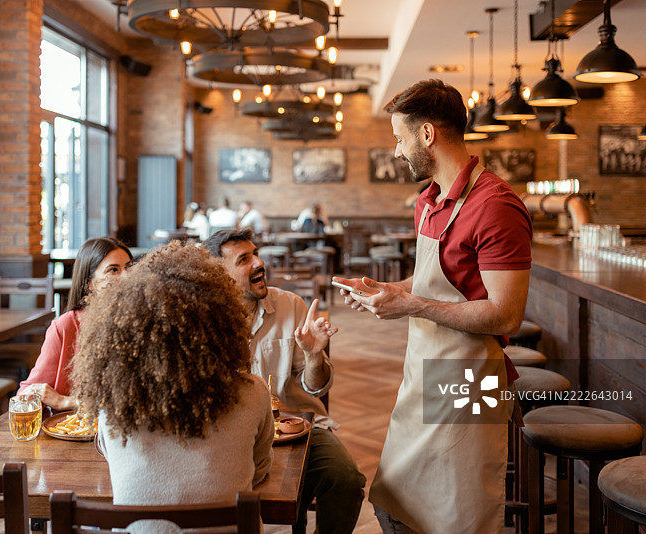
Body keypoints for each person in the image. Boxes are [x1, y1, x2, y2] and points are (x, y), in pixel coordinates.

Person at [334, 79, 532, 534]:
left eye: (400, 139)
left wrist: (412, 306)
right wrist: (389, 291)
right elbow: (435, 284)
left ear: (427, 135)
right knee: (395, 498)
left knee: (457, 514)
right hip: (424, 369)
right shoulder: (429, 200)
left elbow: (505, 315)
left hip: (470, 376)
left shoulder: (496, 206)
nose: (398, 152)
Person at [71, 242, 274, 533]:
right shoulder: (253, 392)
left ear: (128, 327)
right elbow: (260, 470)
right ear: (222, 321)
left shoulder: (112, 403)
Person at [203, 229, 366, 534]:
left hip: (297, 427)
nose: (258, 262)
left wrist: (315, 356)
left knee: (347, 481)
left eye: (256, 253)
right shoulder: (202, 318)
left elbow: (314, 386)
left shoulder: (291, 306)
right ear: (218, 275)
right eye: (244, 259)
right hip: (229, 436)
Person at [18, 236, 132, 411]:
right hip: (74, 433)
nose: (126, 277)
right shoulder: (67, 326)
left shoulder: (145, 325)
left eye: (129, 268)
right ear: (90, 283)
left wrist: (66, 402)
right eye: (113, 270)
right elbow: (24, 397)